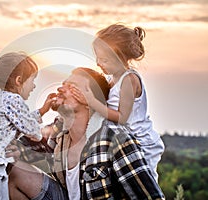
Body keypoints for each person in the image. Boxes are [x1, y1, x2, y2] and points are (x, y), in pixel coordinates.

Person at [8, 67, 165, 200]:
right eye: (63, 84)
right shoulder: (58, 134)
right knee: (15, 172)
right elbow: (14, 143)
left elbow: (151, 196)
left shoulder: (115, 139)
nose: (60, 89)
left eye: (72, 86)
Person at [70, 24, 164, 182]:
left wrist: (91, 101)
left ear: (120, 58)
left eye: (104, 60)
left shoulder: (128, 80)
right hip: (122, 140)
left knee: (143, 182)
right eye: (97, 58)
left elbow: (122, 117)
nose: (99, 63)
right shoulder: (110, 78)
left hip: (141, 141)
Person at [0, 52, 56, 200]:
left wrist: (42, 111)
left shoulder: (1, 98)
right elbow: (31, 130)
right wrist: (43, 135)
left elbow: (22, 120)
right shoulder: (12, 100)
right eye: (32, 80)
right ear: (18, 80)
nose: (34, 86)